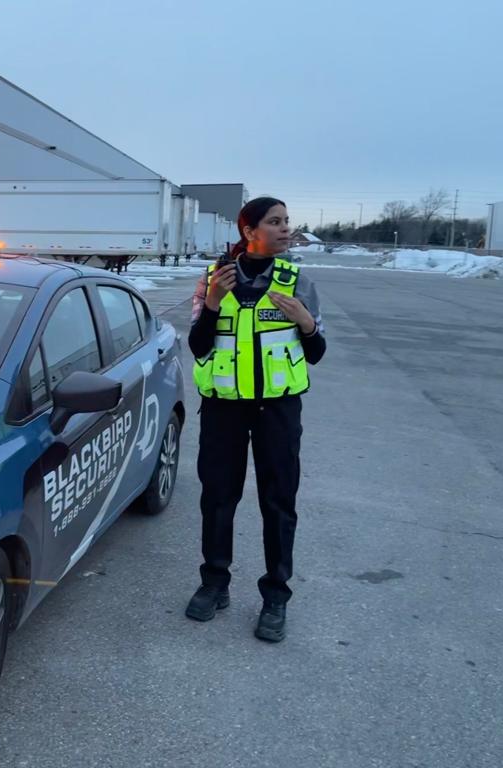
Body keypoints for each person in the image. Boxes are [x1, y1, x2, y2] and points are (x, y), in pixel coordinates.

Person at [184, 197, 326, 642]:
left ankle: (275, 597)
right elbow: (199, 346)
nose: (286, 229)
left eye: (287, 222)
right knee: (218, 497)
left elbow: (316, 354)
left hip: (278, 411)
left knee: (278, 502)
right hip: (224, 408)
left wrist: (307, 324)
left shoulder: (296, 281)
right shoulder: (213, 279)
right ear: (249, 230)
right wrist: (211, 305)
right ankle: (214, 583)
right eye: (276, 222)